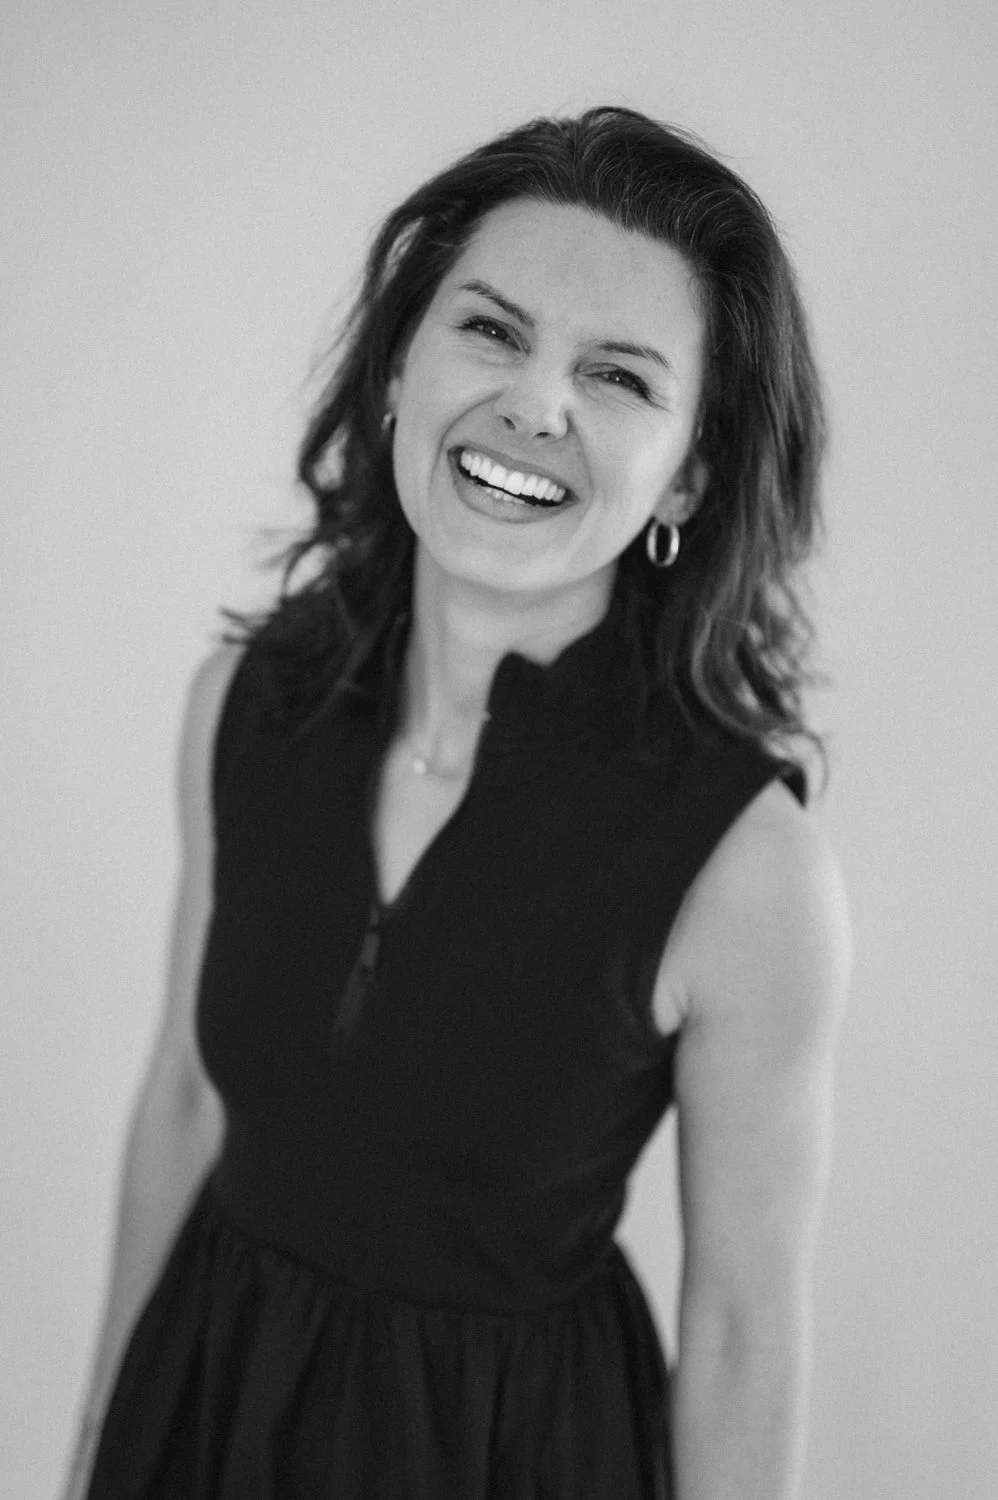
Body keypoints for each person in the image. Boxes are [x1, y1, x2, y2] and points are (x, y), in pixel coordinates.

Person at [64, 105, 851, 1500]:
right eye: (491, 331)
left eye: (617, 376)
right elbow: (183, 1100)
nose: (536, 405)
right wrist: (94, 1455)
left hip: (507, 1458)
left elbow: (742, 1338)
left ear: (689, 472)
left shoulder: (748, 870)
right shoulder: (245, 704)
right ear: (398, 369)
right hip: (210, 1409)